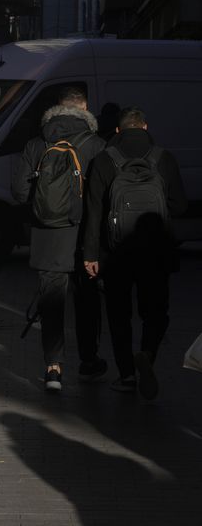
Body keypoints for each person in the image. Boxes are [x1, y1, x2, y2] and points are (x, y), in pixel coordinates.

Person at [83, 107, 187, 399]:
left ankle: (127, 374)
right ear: (145, 127)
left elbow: (94, 211)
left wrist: (90, 254)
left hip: (116, 253)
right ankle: (148, 354)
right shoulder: (163, 158)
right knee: (156, 312)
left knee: (119, 315)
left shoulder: (105, 159)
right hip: (156, 252)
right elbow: (179, 206)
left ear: (117, 131)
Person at [11, 87, 107, 391]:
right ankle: (89, 361)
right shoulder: (97, 145)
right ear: (85, 109)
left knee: (51, 303)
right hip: (85, 238)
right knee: (88, 300)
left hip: (48, 236)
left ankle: (53, 367)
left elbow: (19, 191)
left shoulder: (36, 144)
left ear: (57, 108)